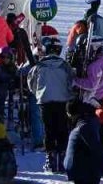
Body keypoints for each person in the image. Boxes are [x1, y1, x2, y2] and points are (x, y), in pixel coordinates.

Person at [28, 37, 73, 173]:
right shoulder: (65, 65)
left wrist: (39, 93)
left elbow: (31, 84)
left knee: (49, 130)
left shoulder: (39, 66)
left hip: (45, 101)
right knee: (62, 129)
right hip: (62, 101)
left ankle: (51, 158)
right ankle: (63, 158)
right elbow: (71, 82)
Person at [64, 101, 103, 184]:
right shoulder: (92, 122)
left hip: (84, 173)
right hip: (86, 171)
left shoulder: (83, 127)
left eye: (68, 114)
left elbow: (97, 150)